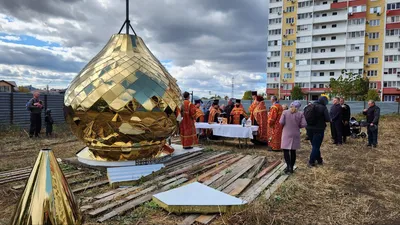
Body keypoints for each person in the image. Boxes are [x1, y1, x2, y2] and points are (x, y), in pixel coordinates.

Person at [280, 101, 307, 173]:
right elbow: (304, 124)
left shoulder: (285, 112)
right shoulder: (300, 113)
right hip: (295, 133)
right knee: (293, 151)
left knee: (286, 150)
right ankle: (291, 167)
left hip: (286, 133)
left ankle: (288, 166)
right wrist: (298, 126)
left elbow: (281, 122)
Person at [306, 96, 330, 167]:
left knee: (314, 145)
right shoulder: (323, 108)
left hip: (309, 128)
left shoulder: (310, 106)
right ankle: (311, 161)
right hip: (319, 129)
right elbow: (327, 119)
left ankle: (319, 160)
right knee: (316, 146)